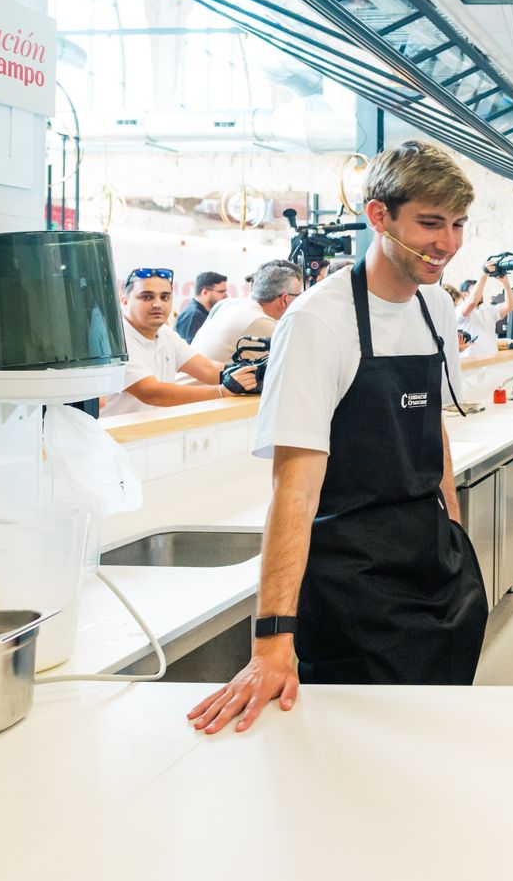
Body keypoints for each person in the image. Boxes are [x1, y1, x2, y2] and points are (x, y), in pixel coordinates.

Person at [188, 141, 487, 734]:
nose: (448, 244)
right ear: (379, 217)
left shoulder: (436, 308)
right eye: (430, 223)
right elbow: (293, 490)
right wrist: (272, 641)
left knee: (437, 744)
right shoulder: (317, 322)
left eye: (457, 225)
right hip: (354, 587)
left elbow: (433, 431)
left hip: (436, 569)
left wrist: (453, 529)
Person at [101, 268, 256, 416]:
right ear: (124, 301)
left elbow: (208, 368)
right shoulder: (115, 339)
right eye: (147, 297)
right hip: (115, 437)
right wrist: (222, 391)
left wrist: (255, 376)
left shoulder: (165, 333)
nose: (158, 304)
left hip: (154, 432)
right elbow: (151, 393)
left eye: (165, 297)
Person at [189, 260, 303, 363]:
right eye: (298, 296)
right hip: (207, 385)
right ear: (284, 299)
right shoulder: (260, 322)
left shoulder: (229, 306)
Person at [455, 259, 513, 362]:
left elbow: (511, 305)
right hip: (470, 364)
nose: (481, 293)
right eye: (477, 290)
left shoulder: (488, 310)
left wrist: (506, 284)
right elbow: (472, 302)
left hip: (491, 363)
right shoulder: (458, 310)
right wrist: (484, 274)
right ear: (465, 294)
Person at [174, 271, 227, 341]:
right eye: (221, 292)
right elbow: (189, 348)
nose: (226, 296)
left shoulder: (203, 313)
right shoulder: (193, 315)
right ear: (205, 292)